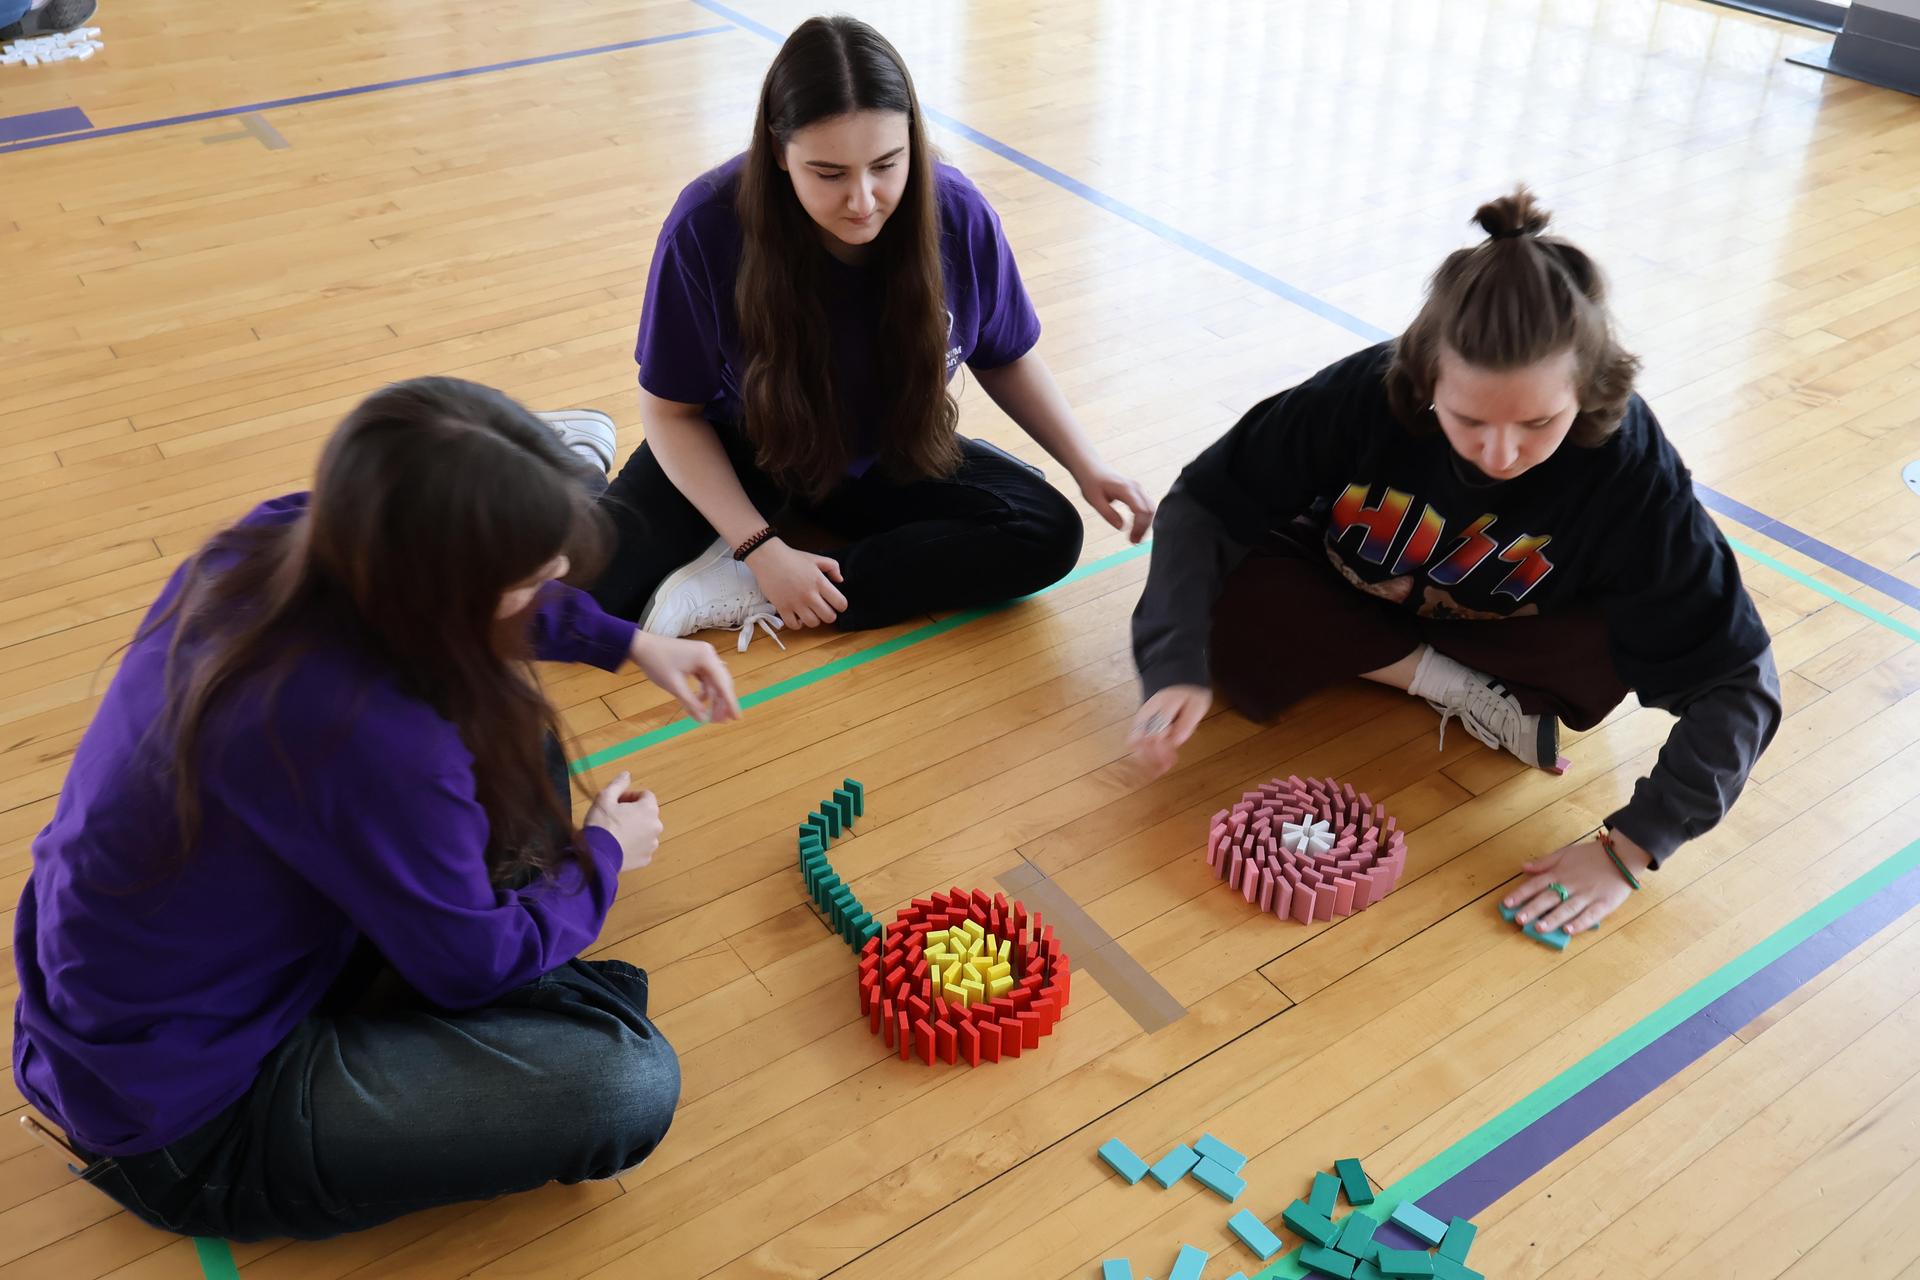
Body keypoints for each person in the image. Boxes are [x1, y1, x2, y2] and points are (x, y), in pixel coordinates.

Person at [10, 378, 742, 1240]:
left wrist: (628, 641)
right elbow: (466, 968)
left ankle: (520, 960)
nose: (549, 586)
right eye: (531, 576)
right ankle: (531, 965)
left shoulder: (280, 534)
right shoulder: (372, 735)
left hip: (146, 998)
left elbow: (467, 610)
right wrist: (606, 853)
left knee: (519, 753)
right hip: (190, 1121)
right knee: (625, 1085)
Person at [1127, 190, 1780, 938]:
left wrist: (1629, 849)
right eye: (1467, 418)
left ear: (1592, 391)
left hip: (1512, 622)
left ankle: (1452, 675)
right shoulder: (1363, 395)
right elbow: (1208, 500)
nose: (1499, 454)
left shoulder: (1631, 472)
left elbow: (1737, 681)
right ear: (1423, 376)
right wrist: (1171, 657)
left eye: (1539, 423)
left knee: (1615, 651)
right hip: (1354, 587)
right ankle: (1445, 684)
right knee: (1221, 622)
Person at [561, 15, 1152, 648]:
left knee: (1045, 531)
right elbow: (671, 414)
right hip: (744, 443)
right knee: (583, 594)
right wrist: (760, 544)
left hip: (878, 455)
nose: (864, 200)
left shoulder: (957, 212)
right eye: (830, 173)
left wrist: (1086, 464)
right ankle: (564, 459)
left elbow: (1004, 354)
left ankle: (756, 587)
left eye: (886, 165)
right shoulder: (707, 225)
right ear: (779, 151)